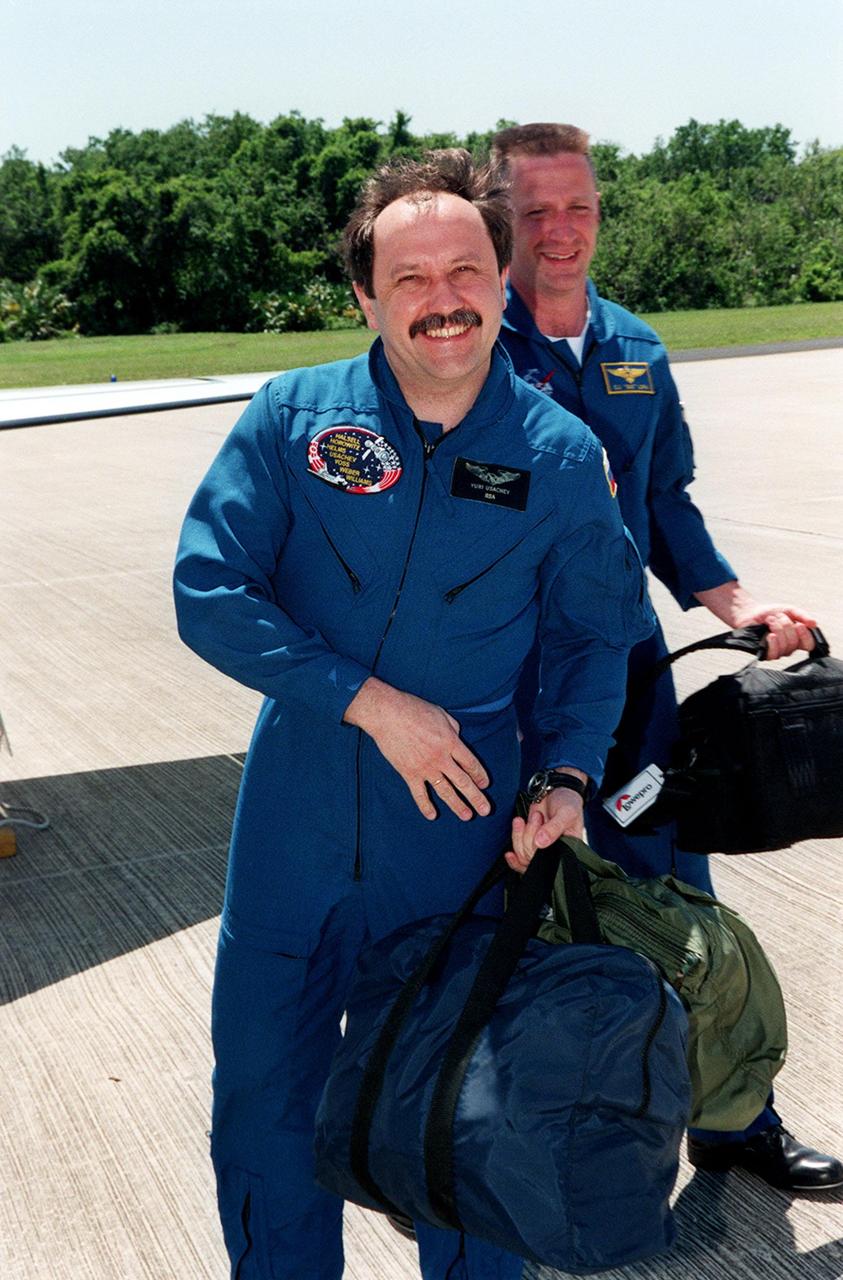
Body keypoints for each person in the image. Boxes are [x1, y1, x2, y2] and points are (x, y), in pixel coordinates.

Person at [173, 148, 654, 1280]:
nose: (443, 301)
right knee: (265, 1111)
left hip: (460, 846)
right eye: (409, 278)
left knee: (463, 1124)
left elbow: (596, 639)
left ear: (503, 279)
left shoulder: (561, 455)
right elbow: (208, 588)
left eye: (466, 271)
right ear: (364, 297)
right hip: (291, 834)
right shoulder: (294, 418)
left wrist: (569, 777)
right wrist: (370, 703)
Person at [493, 121, 843, 1192]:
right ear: (500, 217)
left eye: (579, 206)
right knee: (524, 907)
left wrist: (737, 602)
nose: (561, 230)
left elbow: (664, 502)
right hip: (505, 681)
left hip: (634, 680)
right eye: (535, 209)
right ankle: (496, 1133)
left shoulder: (637, 346)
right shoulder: (470, 344)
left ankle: (732, 1115)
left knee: (673, 888)